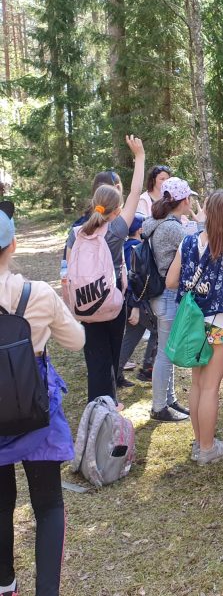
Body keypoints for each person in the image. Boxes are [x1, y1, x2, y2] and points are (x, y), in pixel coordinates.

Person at [0, 201, 85, 596]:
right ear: (13, 245)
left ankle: (5, 583)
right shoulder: (38, 294)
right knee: (48, 504)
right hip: (34, 405)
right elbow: (76, 340)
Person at [166, 128, 223, 464]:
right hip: (221, 324)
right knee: (211, 387)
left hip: (193, 323)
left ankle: (199, 442)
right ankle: (207, 449)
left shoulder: (188, 241)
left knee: (197, 384)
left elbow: (171, 281)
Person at [65, 136, 145, 406]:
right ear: (118, 210)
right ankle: (109, 405)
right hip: (111, 299)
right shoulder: (117, 231)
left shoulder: (76, 232)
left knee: (95, 358)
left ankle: (96, 404)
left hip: (85, 300)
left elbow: (69, 269)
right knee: (111, 355)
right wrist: (139, 157)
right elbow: (135, 192)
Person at [142, 177, 204, 422]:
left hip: (161, 293)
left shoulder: (159, 222)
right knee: (165, 354)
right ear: (184, 200)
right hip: (168, 294)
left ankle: (169, 399)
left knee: (166, 350)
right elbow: (198, 248)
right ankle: (159, 406)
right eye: (189, 198)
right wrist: (202, 224)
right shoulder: (171, 228)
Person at [115, 213, 158, 388]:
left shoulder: (123, 247)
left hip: (126, 300)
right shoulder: (136, 249)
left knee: (132, 337)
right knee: (158, 329)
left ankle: (115, 373)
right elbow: (136, 279)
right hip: (136, 302)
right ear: (140, 230)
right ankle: (148, 369)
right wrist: (136, 306)